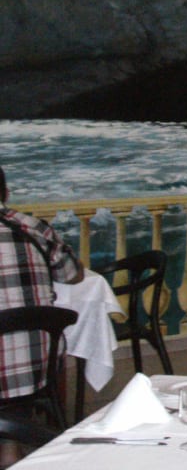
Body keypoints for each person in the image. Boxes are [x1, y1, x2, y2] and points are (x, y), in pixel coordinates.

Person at [0, 166, 84, 466]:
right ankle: (11, 449)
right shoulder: (32, 227)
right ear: (6, 193)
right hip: (35, 368)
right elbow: (74, 275)